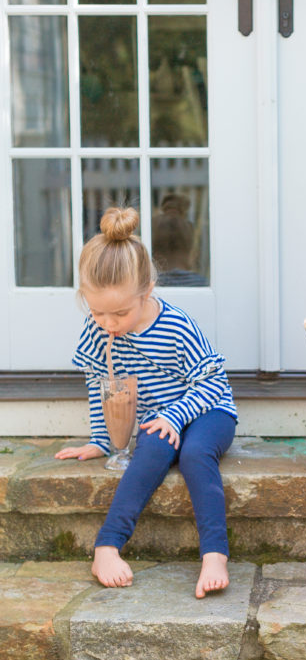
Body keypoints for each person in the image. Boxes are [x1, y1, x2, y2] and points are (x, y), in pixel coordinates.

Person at [55, 206, 237, 599]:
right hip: (159, 421)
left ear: (147, 291)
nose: (108, 322)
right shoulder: (98, 327)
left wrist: (176, 414)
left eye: (120, 312)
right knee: (149, 452)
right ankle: (106, 547)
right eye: (97, 311)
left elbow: (212, 380)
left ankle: (215, 554)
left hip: (210, 410)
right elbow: (98, 381)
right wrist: (101, 439)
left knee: (195, 454)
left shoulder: (175, 325)